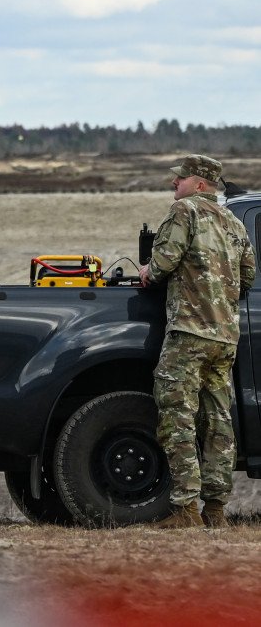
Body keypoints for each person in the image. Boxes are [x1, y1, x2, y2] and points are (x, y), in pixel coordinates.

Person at [138, 154, 255, 528]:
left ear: (201, 184)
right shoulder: (235, 222)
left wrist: (147, 271)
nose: (175, 184)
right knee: (219, 421)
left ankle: (186, 509)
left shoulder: (185, 211)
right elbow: (249, 276)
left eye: (181, 179)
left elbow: (163, 264)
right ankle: (216, 510)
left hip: (189, 333)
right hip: (225, 338)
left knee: (177, 415)